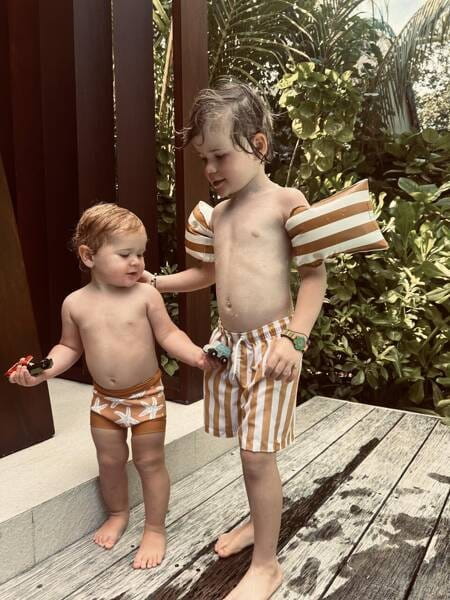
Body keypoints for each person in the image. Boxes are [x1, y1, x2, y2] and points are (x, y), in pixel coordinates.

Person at [147, 80, 328, 600]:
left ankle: (267, 565)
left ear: (258, 145)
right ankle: (257, 522)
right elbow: (206, 274)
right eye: (204, 158)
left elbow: (314, 276)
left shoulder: (285, 203)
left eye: (220, 155)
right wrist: (156, 282)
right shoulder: (217, 214)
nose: (210, 169)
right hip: (230, 346)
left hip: (274, 345)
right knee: (249, 450)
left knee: (256, 456)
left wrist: (295, 339)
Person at [8, 203, 215, 570]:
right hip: (105, 401)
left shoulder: (145, 295)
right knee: (110, 461)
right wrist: (44, 371)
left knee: (150, 462)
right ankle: (118, 513)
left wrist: (197, 357)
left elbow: (169, 334)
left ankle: (155, 528)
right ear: (89, 256)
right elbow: (69, 347)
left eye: (140, 253)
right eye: (125, 254)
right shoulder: (75, 304)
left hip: (147, 397)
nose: (137, 263)